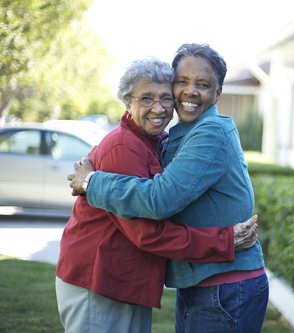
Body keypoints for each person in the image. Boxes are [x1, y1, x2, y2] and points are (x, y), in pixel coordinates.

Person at [69, 44, 268, 332]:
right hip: (206, 284)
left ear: (218, 93)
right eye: (182, 82)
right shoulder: (176, 136)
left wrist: (91, 181)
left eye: (203, 84)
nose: (190, 91)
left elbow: (161, 199)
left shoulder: (210, 132)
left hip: (226, 286)